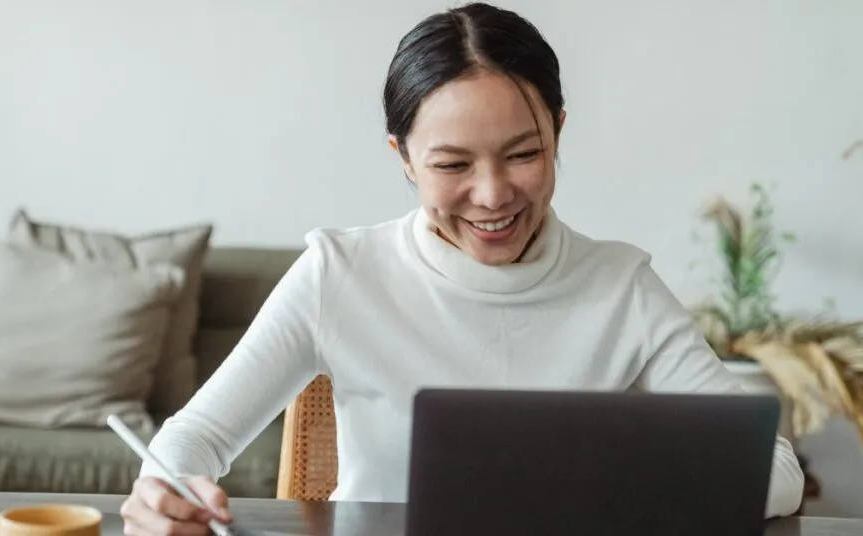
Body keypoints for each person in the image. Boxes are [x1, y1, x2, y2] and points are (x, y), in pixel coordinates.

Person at [120, 3, 805, 534]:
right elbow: (198, 435)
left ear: (558, 132)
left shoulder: (621, 287)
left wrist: (616, 479)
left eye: (524, 154)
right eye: (452, 164)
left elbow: (774, 471)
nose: (493, 194)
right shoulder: (340, 272)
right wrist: (163, 492)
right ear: (404, 158)